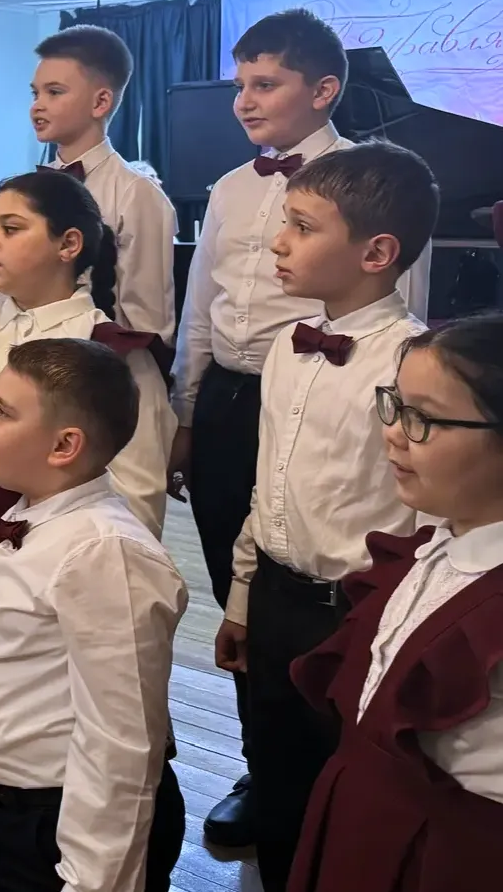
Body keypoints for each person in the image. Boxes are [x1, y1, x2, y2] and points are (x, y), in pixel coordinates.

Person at [212, 141, 435, 891]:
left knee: (350, 792)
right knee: (278, 779)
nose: (278, 242)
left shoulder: (413, 365)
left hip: (359, 612)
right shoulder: (286, 346)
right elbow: (268, 484)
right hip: (276, 597)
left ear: (376, 252)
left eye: (303, 227)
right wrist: (242, 597)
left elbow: (427, 515)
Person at [0, 169, 174, 740]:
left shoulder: (108, 351)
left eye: (12, 228)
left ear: (69, 244)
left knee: (33, 710)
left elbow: (139, 493)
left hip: (48, 550)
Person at [170, 9, 352, 844]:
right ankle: (262, 760)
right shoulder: (230, 187)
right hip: (227, 401)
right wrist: (186, 413)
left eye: (265, 83)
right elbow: (199, 307)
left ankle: (327, 770)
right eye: (240, 84)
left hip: (314, 402)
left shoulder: (365, 179)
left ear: (323, 89)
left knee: (304, 591)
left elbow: (396, 314)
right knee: (232, 587)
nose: (244, 100)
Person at [0, 338, 187, 892]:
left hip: (62, 823)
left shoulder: (104, 553)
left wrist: (94, 879)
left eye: (3, 411)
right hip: (11, 807)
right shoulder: (34, 514)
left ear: (64, 445)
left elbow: (120, 744)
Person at [288, 313, 503, 892]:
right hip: (361, 825)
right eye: (396, 406)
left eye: (423, 419)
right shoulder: (429, 551)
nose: (394, 434)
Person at [33, 25, 179, 341]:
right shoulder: (31, 187)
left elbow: (146, 320)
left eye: (54, 92)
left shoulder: (136, 193)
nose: (37, 106)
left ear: (100, 102)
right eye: (36, 93)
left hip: (99, 360)